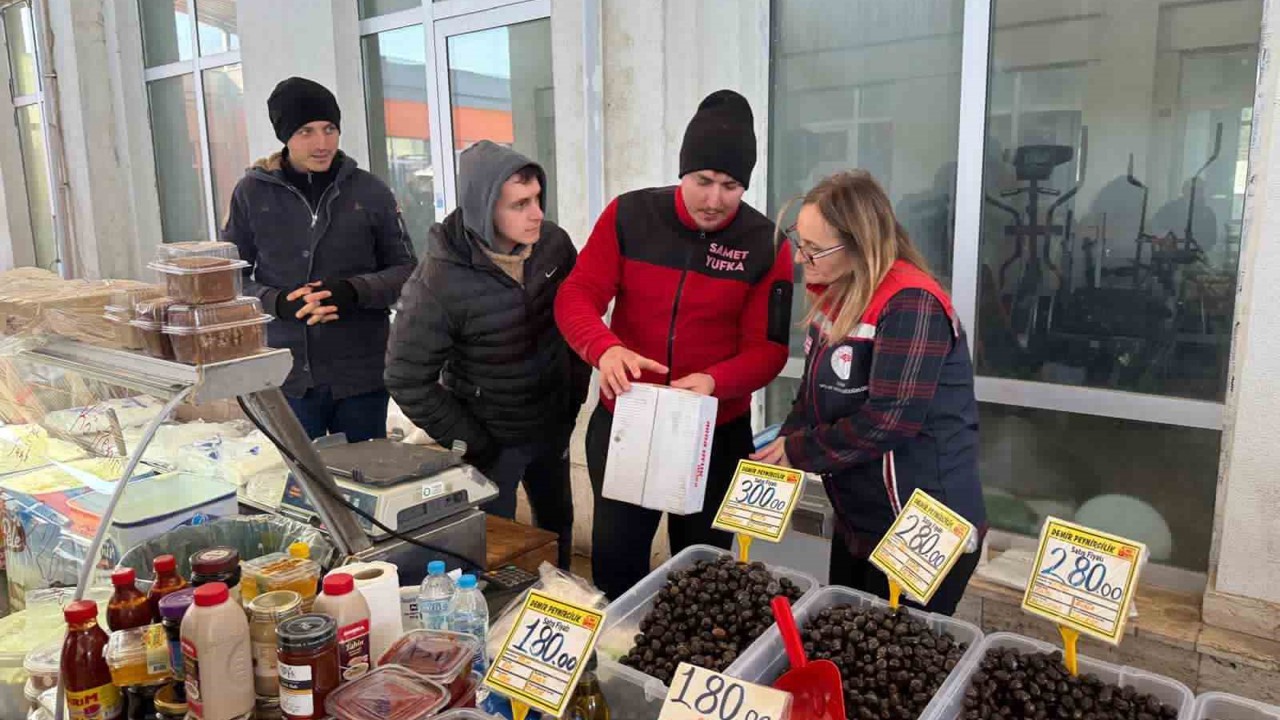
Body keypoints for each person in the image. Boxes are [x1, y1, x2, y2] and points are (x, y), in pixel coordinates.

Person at [555, 89, 793, 599]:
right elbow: (575, 296)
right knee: (617, 567)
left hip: (715, 430)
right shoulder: (630, 216)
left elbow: (769, 349)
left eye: (730, 186)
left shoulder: (766, 243)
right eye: (703, 180)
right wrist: (604, 348)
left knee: (704, 577)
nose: (713, 199)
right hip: (628, 421)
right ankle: (620, 673)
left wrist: (714, 381)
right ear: (682, 171)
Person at [751, 170, 985, 616]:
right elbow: (811, 394)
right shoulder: (837, 295)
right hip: (861, 517)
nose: (801, 259)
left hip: (922, 523)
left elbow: (889, 420)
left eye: (815, 249)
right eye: (799, 241)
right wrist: (781, 446)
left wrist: (799, 451)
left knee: (901, 653)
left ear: (860, 244)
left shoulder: (911, 303)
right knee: (848, 631)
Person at [385, 141, 589, 570]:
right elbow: (406, 377)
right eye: (520, 204)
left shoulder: (553, 247)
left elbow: (576, 323)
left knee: (556, 528)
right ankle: (502, 623)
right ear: (484, 208)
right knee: (498, 549)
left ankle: (566, 605)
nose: (537, 214)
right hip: (492, 439)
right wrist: (472, 440)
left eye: (538, 199)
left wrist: (573, 399)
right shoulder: (437, 281)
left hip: (551, 423)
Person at [224, 77, 416, 443]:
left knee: (364, 482)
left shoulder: (369, 191)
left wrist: (352, 292)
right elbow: (231, 278)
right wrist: (277, 302)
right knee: (303, 486)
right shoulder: (251, 194)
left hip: (361, 373)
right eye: (306, 131)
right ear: (285, 136)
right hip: (288, 372)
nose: (322, 143)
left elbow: (408, 272)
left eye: (330, 129)